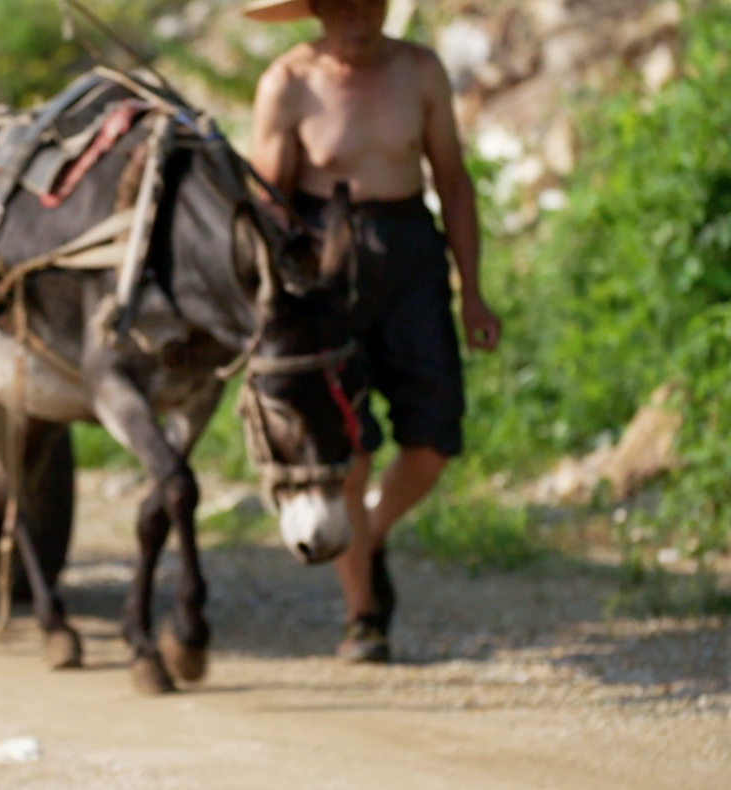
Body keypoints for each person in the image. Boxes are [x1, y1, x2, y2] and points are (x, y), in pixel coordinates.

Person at [245, 0, 502, 662]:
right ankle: (363, 615)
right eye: (341, 5)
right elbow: (267, 209)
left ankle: (373, 531)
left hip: (411, 257)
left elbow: (453, 181)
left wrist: (471, 291)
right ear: (318, 12)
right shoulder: (290, 82)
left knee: (435, 436)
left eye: (370, 3)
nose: (357, 18)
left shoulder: (419, 71)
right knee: (348, 450)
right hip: (324, 267)